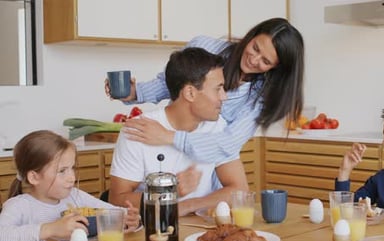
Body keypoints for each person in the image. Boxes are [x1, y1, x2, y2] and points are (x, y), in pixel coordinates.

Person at [105, 18, 304, 164]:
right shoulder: (206, 46)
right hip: (166, 151)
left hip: (207, 167)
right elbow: (172, 82)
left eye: (266, 61)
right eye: (255, 48)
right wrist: (134, 92)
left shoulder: (260, 98)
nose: (254, 59)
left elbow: (228, 144)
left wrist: (169, 136)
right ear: (251, 37)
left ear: (276, 68)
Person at [108, 47, 249, 217]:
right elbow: (117, 199)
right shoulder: (138, 130)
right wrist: (170, 193)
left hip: (199, 226)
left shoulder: (217, 126)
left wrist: (189, 205)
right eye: (218, 89)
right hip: (153, 230)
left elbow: (239, 190)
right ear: (190, 93)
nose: (224, 97)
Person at [0, 130, 141, 241]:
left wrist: (131, 220)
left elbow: (113, 212)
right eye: (62, 171)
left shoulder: (75, 196)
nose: (71, 177)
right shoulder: (19, 206)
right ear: (34, 177)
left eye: (72, 168)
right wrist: (51, 229)